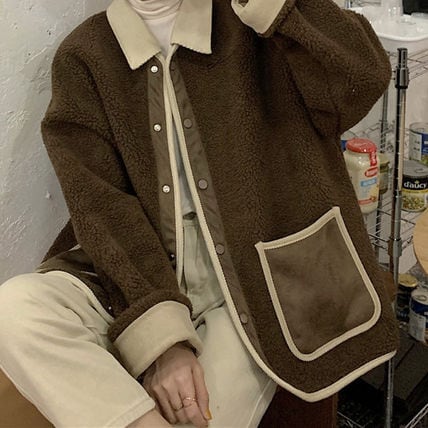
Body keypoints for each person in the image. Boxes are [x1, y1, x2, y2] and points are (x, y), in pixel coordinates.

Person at [0, 0, 399, 427]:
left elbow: (361, 80)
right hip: (140, 264)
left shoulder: (254, 19)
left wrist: (279, 9)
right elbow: (102, 205)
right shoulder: (85, 56)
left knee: (199, 415)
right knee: (15, 309)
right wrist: (163, 343)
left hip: (257, 273)